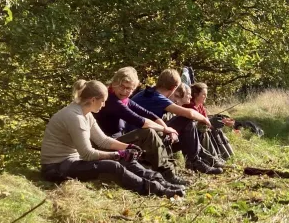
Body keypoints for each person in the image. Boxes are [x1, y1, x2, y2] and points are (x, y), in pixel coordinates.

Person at [41, 80, 184, 197]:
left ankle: (162, 183)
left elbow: (103, 140)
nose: (103, 105)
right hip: (56, 168)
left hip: (71, 161)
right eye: (102, 101)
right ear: (93, 100)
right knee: (113, 165)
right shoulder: (75, 117)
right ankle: (157, 190)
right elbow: (87, 154)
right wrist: (117, 155)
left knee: (126, 158)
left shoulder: (86, 114)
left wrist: (127, 148)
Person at [94, 67, 187, 186]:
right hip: (105, 145)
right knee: (148, 132)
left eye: (130, 89)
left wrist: (167, 130)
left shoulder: (123, 99)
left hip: (117, 141)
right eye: (122, 86)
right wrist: (165, 129)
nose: (125, 91)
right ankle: (167, 173)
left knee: (155, 131)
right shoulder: (111, 100)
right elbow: (140, 121)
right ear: (115, 83)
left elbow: (147, 114)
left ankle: (165, 169)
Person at [131, 69, 222, 175]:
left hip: (139, 137)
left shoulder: (147, 93)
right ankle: (194, 161)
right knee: (186, 119)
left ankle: (198, 160)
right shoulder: (157, 97)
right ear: (174, 87)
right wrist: (204, 119)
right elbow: (189, 114)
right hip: (143, 141)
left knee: (187, 129)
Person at [178, 82, 234, 165]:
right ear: (196, 94)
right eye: (203, 94)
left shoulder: (200, 105)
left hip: (198, 130)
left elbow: (207, 119)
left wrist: (222, 122)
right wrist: (211, 124)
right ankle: (214, 159)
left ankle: (227, 156)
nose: (206, 97)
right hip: (191, 134)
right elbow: (200, 123)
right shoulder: (190, 106)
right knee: (206, 130)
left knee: (216, 130)